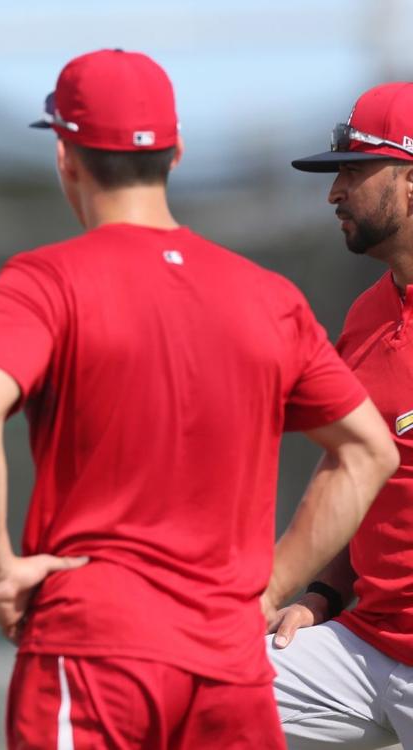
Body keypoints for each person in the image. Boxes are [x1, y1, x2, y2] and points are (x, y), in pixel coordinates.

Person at [0, 49, 398, 749]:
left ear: (66, 155)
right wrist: (273, 591)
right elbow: (369, 450)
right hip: (229, 656)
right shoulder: (268, 297)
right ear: (176, 154)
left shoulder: (46, 279)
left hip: (94, 642)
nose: (335, 192)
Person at [268, 82, 413, 749]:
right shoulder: (366, 316)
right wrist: (322, 594)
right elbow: (359, 484)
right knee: (190, 683)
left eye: (354, 172)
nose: (334, 194)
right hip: (367, 645)